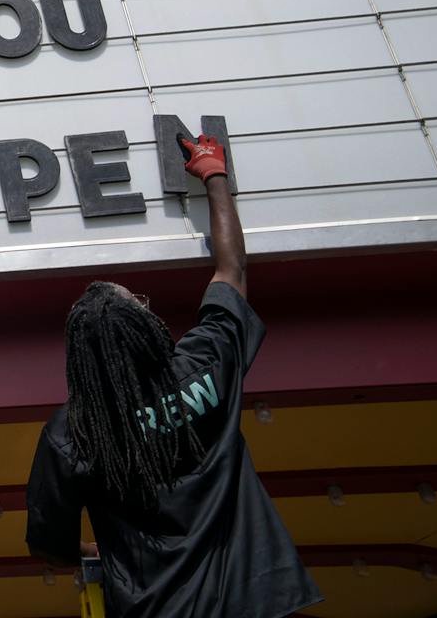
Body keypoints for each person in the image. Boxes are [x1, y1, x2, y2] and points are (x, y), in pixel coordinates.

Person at [24, 135, 320, 617]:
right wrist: (213, 174)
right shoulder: (203, 367)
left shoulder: (73, 435)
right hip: (257, 598)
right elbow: (232, 270)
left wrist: (85, 552)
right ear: (145, 332)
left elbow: (47, 544)